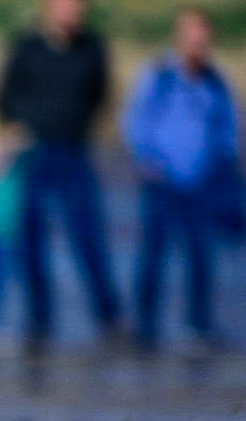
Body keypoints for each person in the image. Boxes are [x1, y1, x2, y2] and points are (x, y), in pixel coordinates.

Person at [0, 0, 120, 352]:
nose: (72, 11)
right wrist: (11, 129)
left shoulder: (92, 48)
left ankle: (109, 319)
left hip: (74, 153)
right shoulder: (27, 47)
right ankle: (38, 323)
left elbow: (99, 95)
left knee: (88, 237)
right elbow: (4, 96)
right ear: (48, 8)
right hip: (33, 153)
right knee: (31, 242)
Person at [123, 7, 240, 351]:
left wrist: (225, 169)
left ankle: (199, 326)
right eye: (190, 36)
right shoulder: (158, 75)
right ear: (179, 37)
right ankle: (145, 329)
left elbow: (227, 130)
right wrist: (148, 162)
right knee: (153, 256)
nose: (196, 44)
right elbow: (135, 121)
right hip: (161, 182)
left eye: (202, 38)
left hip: (202, 184)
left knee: (201, 256)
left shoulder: (216, 81)